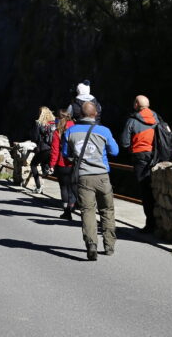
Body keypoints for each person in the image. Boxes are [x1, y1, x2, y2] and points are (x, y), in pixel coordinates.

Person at [62, 101, 118, 260]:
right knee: (107, 210)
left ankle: (91, 245)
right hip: (102, 176)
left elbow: (65, 153)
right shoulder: (104, 131)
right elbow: (115, 151)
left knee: (87, 211)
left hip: (83, 177)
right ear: (95, 114)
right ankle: (109, 245)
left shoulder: (70, 131)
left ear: (80, 114)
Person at [121, 94, 161, 233]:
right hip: (156, 156)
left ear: (136, 105)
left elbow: (125, 142)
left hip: (140, 157)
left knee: (145, 190)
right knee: (156, 189)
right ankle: (159, 222)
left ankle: (150, 224)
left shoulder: (132, 120)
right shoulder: (157, 118)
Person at [49, 110, 76, 219]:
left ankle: (66, 211)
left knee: (64, 187)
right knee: (73, 185)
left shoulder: (58, 131)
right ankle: (72, 204)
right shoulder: (75, 128)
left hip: (62, 162)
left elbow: (55, 150)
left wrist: (52, 165)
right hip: (75, 162)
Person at [28, 106, 55, 194]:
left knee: (33, 165)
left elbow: (35, 137)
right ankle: (47, 172)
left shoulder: (39, 123)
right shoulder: (54, 123)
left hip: (43, 149)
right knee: (45, 164)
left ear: (41, 114)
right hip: (52, 148)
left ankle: (38, 187)